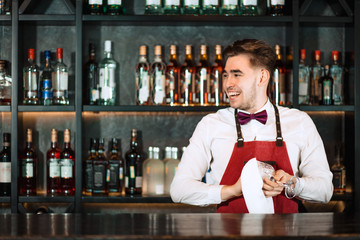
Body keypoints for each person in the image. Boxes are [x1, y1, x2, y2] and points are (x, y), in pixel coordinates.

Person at [170, 39, 333, 213]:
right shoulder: (211, 124)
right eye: (226, 75)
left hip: (287, 233)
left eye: (237, 74)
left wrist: (291, 184)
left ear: (262, 77)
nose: (227, 84)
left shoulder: (299, 121)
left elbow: (325, 191)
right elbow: (179, 189)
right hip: (229, 233)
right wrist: (231, 190)